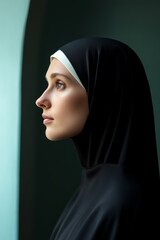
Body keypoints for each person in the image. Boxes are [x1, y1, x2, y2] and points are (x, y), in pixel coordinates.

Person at [36, 37, 160, 240]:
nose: (41, 100)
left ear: (103, 92)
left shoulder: (121, 204)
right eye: (48, 83)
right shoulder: (93, 186)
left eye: (59, 84)